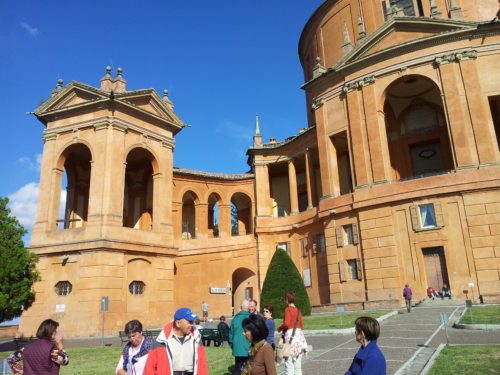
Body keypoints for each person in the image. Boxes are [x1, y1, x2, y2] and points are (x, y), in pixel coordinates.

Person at [143, 307, 208, 375]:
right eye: (189, 322)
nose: (192, 325)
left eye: (192, 322)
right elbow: (150, 367)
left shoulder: (196, 338)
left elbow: (202, 364)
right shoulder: (161, 341)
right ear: (178, 323)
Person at [278, 292, 308, 375]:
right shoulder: (298, 311)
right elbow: (301, 326)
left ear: (287, 300)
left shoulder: (288, 309)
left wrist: (280, 328)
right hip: (299, 338)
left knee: (289, 365)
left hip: (290, 338)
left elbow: (287, 323)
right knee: (298, 367)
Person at [229, 299, 251, 375]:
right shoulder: (251, 318)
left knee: (238, 368)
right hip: (249, 347)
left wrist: (233, 345)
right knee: (249, 368)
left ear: (240, 307)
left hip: (237, 347)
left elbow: (230, 335)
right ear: (248, 307)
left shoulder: (235, 318)